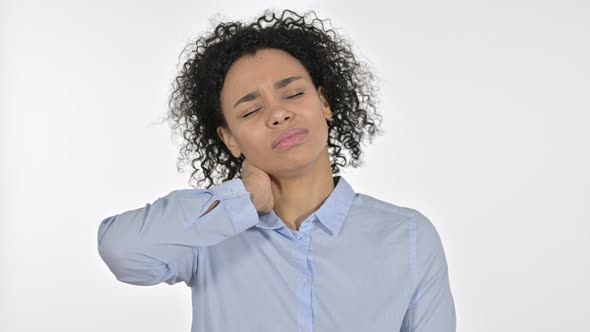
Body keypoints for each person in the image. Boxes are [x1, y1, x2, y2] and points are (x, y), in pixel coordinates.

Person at [97, 9, 456, 332]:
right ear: (230, 139)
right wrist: (243, 201)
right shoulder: (210, 235)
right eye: (251, 111)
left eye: (294, 93)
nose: (278, 114)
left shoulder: (408, 237)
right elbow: (121, 250)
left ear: (325, 103)